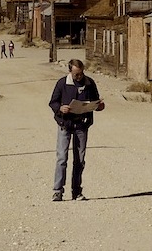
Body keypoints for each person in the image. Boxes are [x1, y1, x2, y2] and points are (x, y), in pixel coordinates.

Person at [48, 59, 105, 202]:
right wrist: (60, 108)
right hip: (65, 124)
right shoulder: (62, 83)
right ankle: (57, 191)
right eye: (76, 74)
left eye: (81, 74)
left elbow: (95, 102)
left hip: (81, 125)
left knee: (79, 160)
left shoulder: (89, 83)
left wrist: (99, 106)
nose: (79, 77)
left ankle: (77, 192)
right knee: (62, 158)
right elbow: (53, 102)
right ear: (70, 72)